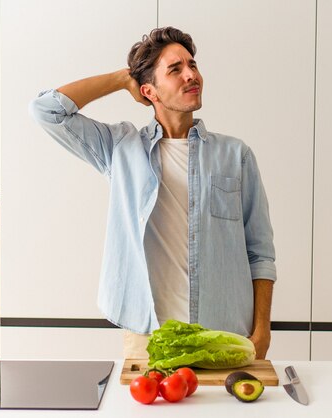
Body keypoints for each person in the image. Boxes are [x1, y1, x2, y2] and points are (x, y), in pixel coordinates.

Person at [30, 27, 276, 359]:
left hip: (224, 334)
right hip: (149, 336)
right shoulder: (120, 148)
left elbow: (259, 253)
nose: (191, 75)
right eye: (175, 69)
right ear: (149, 91)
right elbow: (47, 110)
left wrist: (262, 331)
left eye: (192, 65)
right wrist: (121, 79)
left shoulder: (236, 155)